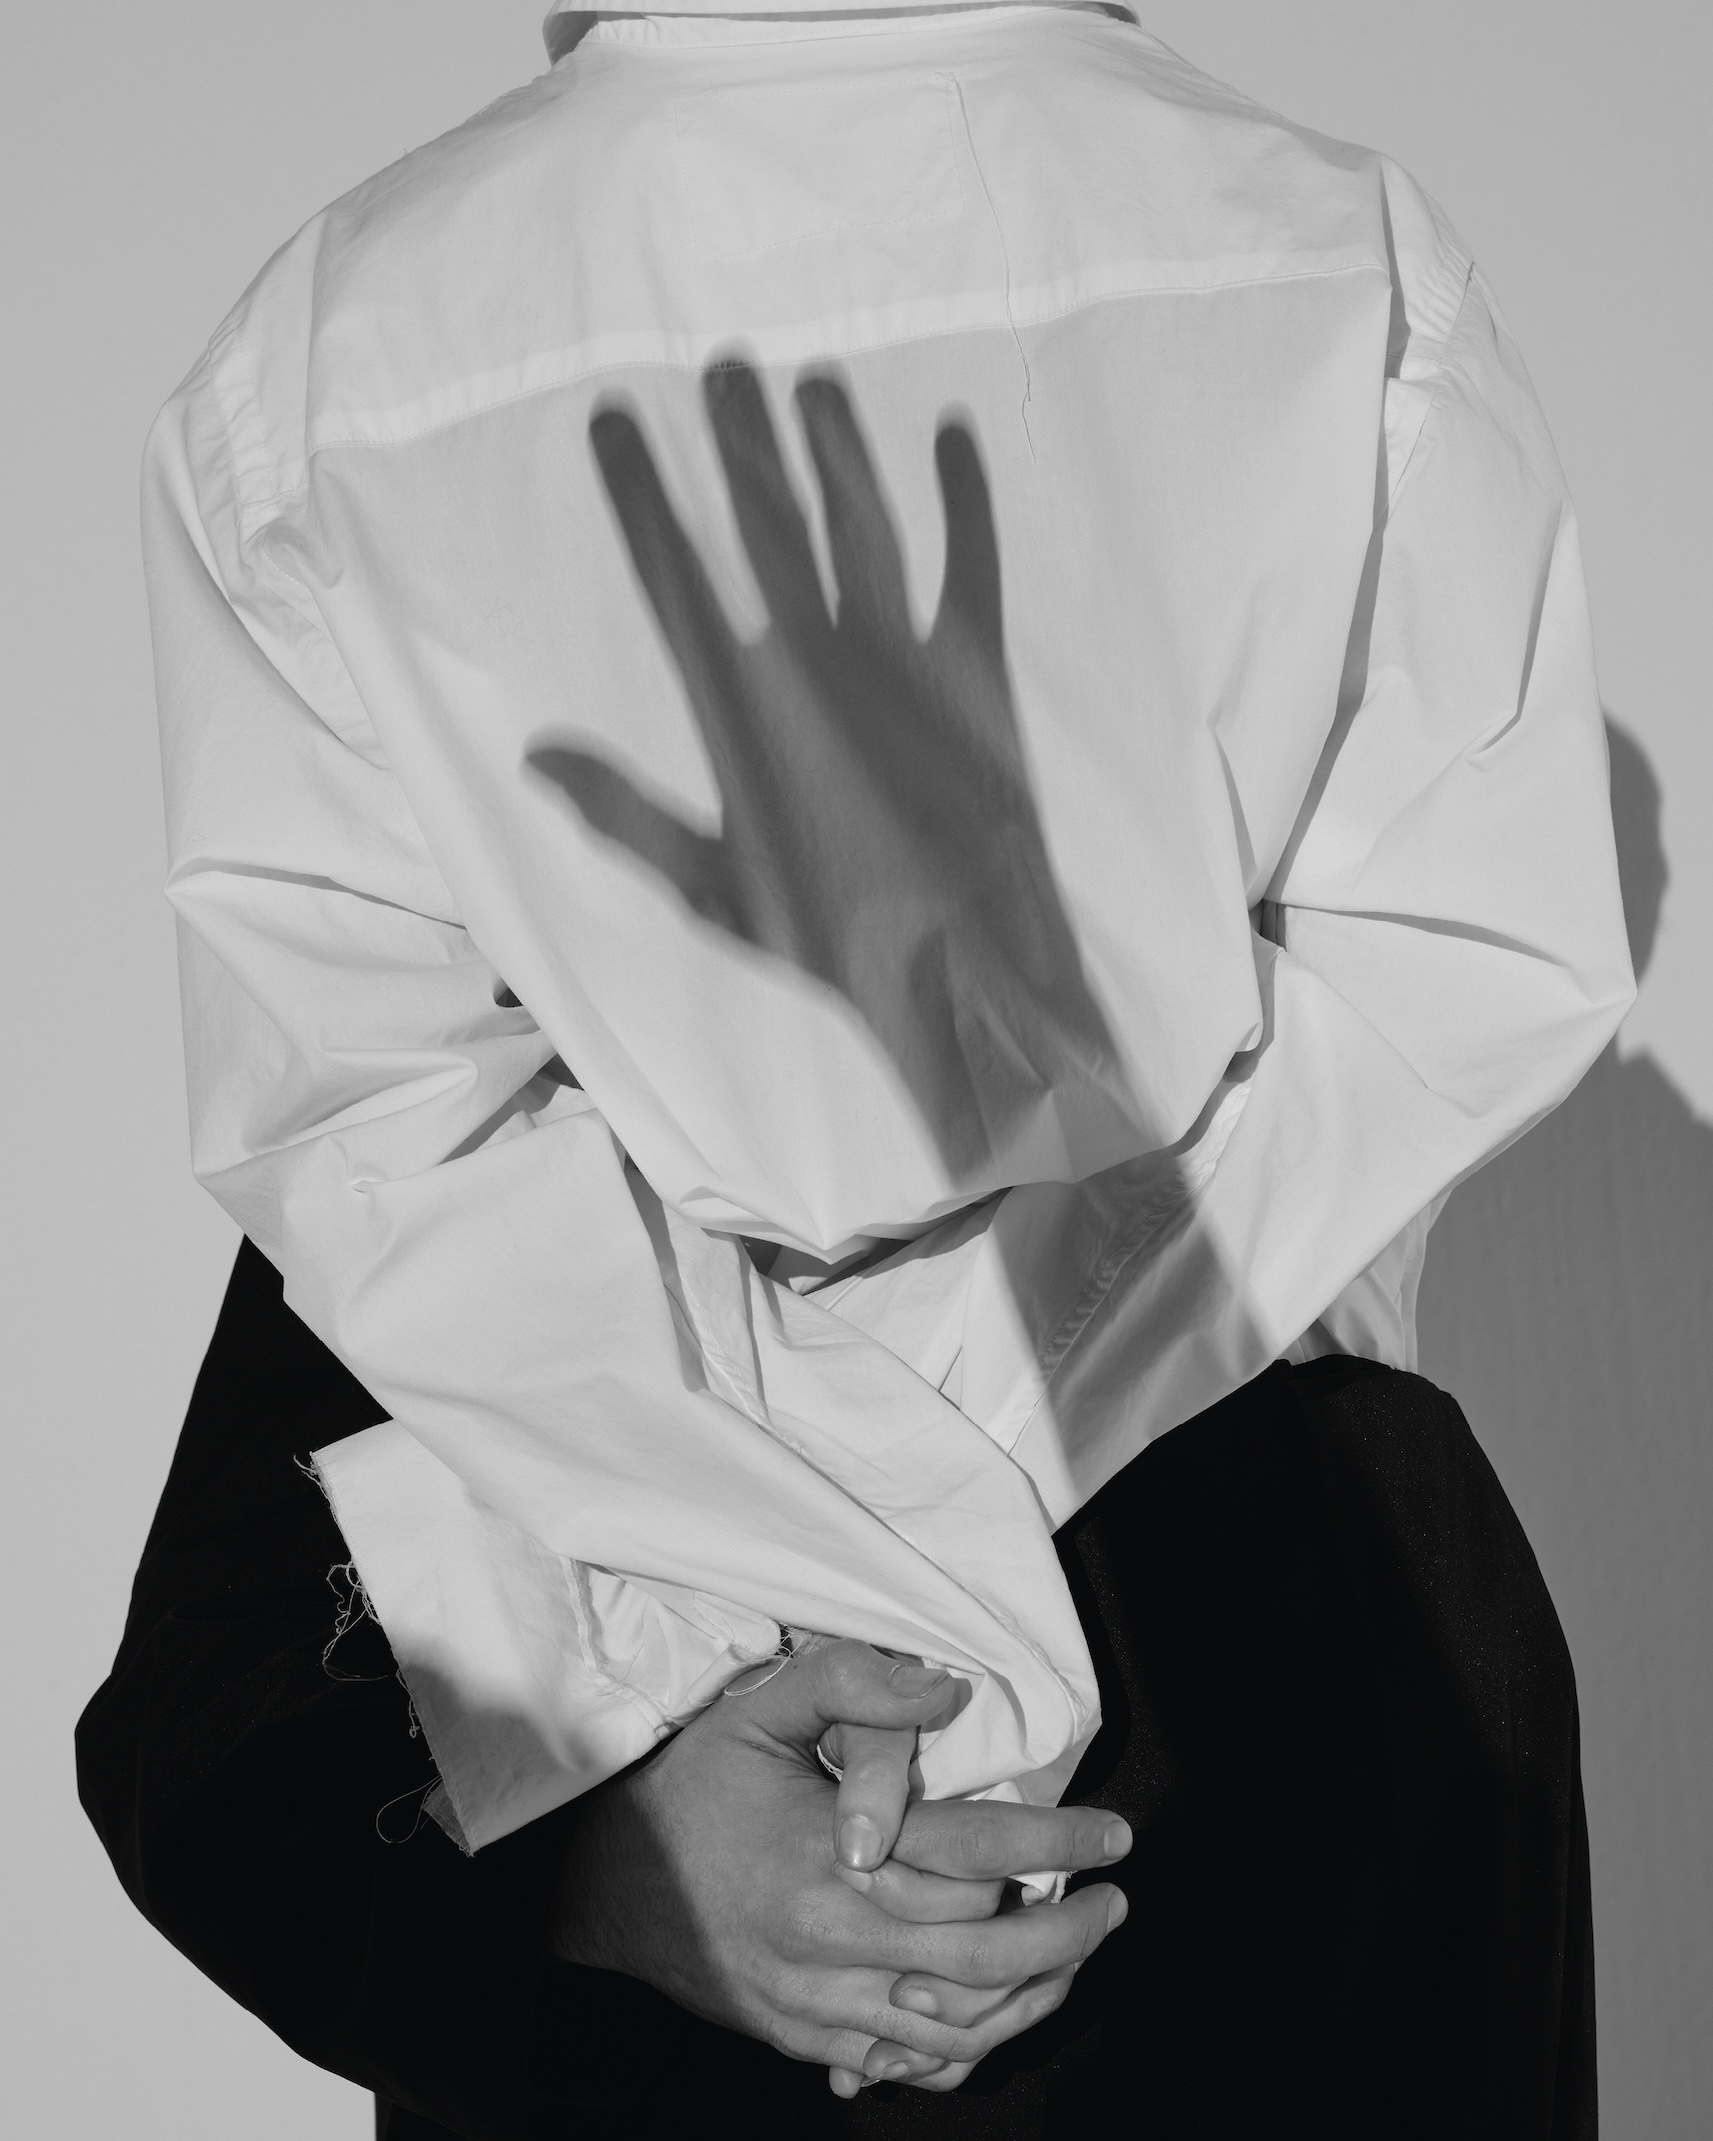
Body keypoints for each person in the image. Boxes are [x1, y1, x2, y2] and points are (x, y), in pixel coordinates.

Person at [79, 3, 1632, 2134]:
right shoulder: (1332, 248)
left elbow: (360, 1124)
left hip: (657, 1620)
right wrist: (1014, 1380)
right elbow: (1474, 956)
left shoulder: (321, 357)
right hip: (1270, 1588)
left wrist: (790, 1527)